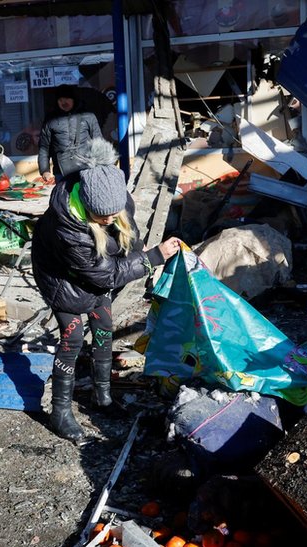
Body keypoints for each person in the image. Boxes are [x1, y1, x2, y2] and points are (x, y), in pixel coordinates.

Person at [32, 137, 182, 443]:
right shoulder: (68, 231)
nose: (112, 219)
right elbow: (106, 275)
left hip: (96, 272)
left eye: (115, 214)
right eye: (104, 217)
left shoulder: (111, 194)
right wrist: (153, 257)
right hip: (62, 279)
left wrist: (132, 244)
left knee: (103, 326)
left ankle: (102, 397)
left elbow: (125, 239)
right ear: (87, 208)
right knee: (72, 338)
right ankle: (60, 412)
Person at [38, 84, 102, 183]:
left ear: (73, 99)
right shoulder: (50, 120)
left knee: (86, 197)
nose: (63, 102)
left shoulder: (89, 116)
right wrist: (45, 170)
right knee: (64, 198)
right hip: (61, 172)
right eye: (60, 100)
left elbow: (99, 143)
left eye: (67, 99)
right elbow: (44, 148)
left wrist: (101, 166)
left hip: (87, 169)